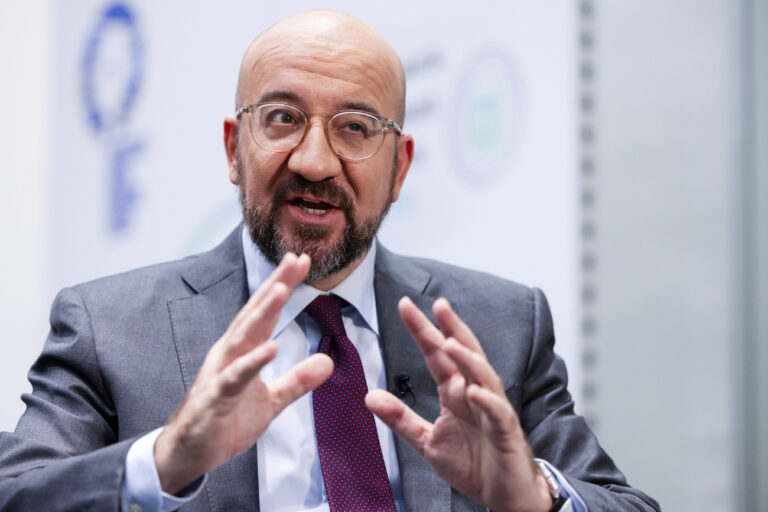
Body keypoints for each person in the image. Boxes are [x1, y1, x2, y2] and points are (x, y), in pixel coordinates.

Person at [0, 9, 659, 512]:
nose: (314, 162)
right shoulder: (107, 328)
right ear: (235, 150)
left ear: (399, 168)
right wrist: (164, 461)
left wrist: (535, 499)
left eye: (355, 128)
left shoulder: (503, 326)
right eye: (283, 119)